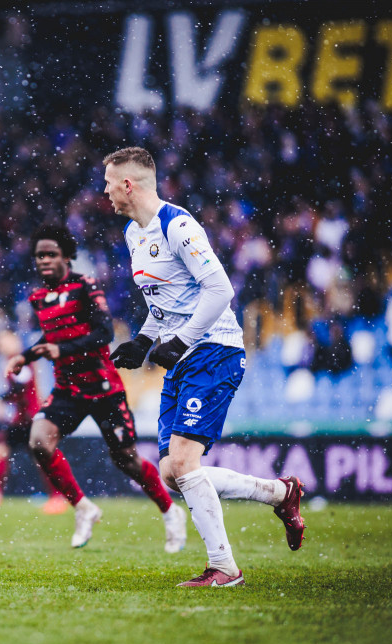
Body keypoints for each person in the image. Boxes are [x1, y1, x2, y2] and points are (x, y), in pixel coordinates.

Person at [103, 147, 305, 587]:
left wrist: (180, 341)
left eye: (108, 182)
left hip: (215, 350)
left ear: (128, 185)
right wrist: (143, 340)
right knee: (173, 474)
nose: (105, 191)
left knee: (183, 461)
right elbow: (165, 303)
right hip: (183, 357)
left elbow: (220, 290)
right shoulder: (133, 235)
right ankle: (279, 493)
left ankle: (225, 568)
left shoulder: (179, 226)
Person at [5, 223, 188, 552]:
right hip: (67, 390)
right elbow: (52, 336)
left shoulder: (85, 287)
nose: (44, 260)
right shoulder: (38, 298)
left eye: (51, 254)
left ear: (67, 257)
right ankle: (83, 508)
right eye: (39, 256)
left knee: (126, 460)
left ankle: (170, 511)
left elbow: (104, 333)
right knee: (39, 442)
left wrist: (63, 350)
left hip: (104, 389)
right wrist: (26, 355)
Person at [0, 330, 69, 514]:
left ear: (14, 340)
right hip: (24, 419)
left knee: (38, 457)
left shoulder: (20, 361)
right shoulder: (16, 360)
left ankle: (56, 497)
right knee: (3, 448)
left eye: (3, 340)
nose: (0, 345)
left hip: (29, 419)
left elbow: (20, 386)